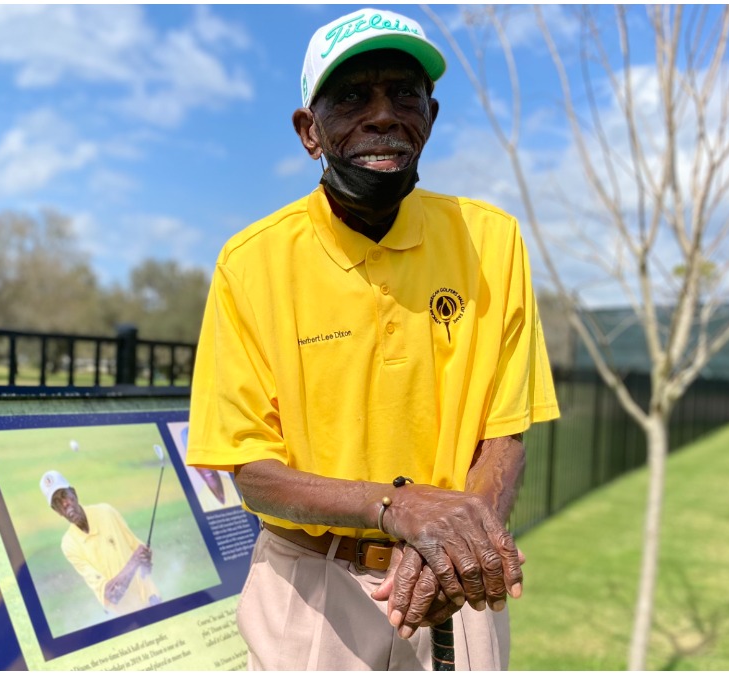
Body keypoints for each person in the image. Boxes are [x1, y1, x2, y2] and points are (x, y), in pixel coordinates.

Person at [186, 7, 560, 671]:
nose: (383, 114)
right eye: (353, 96)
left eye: (404, 94)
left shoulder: (491, 242)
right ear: (310, 131)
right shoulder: (252, 263)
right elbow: (251, 470)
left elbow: (505, 437)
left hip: (453, 586)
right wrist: (395, 507)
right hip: (311, 590)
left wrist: (455, 543)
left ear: (431, 118)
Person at [40, 470, 161, 616]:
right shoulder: (69, 545)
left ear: (74, 493)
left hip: (151, 600)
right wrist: (135, 561)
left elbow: (143, 559)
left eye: (64, 495)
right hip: (126, 618)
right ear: (56, 511)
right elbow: (112, 595)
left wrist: (145, 559)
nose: (65, 503)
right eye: (57, 503)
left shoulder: (106, 512)